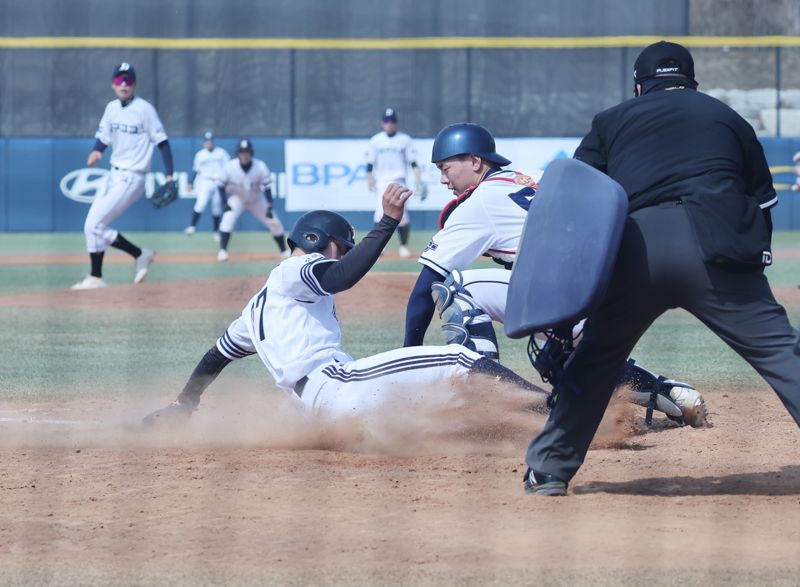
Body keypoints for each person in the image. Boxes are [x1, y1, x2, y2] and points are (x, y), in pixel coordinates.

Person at [523, 41, 800, 497]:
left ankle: (549, 470)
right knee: (782, 353)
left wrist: (570, 305)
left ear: (638, 85)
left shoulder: (610, 121)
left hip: (639, 248)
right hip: (718, 246)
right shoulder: (727, 118)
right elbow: (763, 204)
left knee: (596, 360)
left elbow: (574, 204)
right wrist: (750, 270)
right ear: (692, 82)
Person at [142, 183, 541, 427]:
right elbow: (342, 276)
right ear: (317, 242)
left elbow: (216, 355)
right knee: (460, 359)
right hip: (337, 385)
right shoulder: (294, 269)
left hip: (320, 409)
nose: (342, 254)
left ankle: (505, 424)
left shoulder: (255, 309)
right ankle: (555, 411)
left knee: (437, 403)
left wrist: (185, 402)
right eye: (340, 247)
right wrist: (386, 223)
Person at [403, 122, 706, 427]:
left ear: (475, 162)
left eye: (446, 168)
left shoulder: (479, 203)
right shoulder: (536, 177)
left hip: (563, 297)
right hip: (613, 293)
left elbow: (423, 289)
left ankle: (484, 399)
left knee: (455, 288)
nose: (442, 179)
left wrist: (407, 361)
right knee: (571, 358)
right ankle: (672, 394)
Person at [72, 62, 172, 290]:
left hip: (133, 176)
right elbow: (103, 137)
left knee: (95, 224)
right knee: (91, 226)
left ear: (134, 83)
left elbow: (163, 143)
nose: (123, 84)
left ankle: (137, 255)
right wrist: (97, 151)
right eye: (119, 80)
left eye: (128, 79)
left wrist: (170, 176)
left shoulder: (145, 109)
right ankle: (97, 276)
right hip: (113, 174)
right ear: (112, 84)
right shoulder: (111, 108)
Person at [366, 108, 426, 258]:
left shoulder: (405, 140)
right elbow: (370, 163)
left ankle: (404, 247)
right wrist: (369, 179)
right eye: (386, 121)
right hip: (382, 181)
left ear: (396, 122)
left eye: (392, 121)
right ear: (382, 123)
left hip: (400, 180)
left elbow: (413, 162)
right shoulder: (376, 140)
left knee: (403, 215)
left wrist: (419, 179)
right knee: (380, 214)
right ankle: (378, 247)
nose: (389, 124)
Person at [216, 139, 289, 262]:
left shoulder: (260, 166)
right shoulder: (230, 166)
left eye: (247, 152)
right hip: (237, 198)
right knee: (227, 220)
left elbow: (267, 186)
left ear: (251, 153)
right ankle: (223, 251)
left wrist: (269, 205)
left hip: (257, 199)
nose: (244, 155)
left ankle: (283, 251)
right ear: (237, 153)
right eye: (242, 152)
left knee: (274, 222)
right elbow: (220, 185)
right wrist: (224, 203)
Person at [184, 132, 229, 241]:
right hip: (205, 181)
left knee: (217, 207)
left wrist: (228, 183)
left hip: (218, 181)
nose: (209, 143)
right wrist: (191, 182)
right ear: (204, 143)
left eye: (210, 141)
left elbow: (228, 168)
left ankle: (216, 231)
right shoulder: (200, 154)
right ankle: (192, 227)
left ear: (213, 142)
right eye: (207, 141)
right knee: (201, 203)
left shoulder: (221, 153)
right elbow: (195, 170)